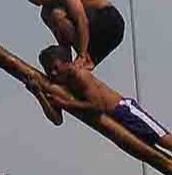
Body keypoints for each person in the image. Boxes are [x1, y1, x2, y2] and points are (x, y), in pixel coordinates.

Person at [31, 46, 172, 151]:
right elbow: (57, 120)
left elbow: (98, 107)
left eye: (56, 67)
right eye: (49, 70)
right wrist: (38, 94)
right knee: (149, 152)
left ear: (66, 62)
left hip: (123, 111)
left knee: (163, 139)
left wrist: (65, 103)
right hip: (113, 123)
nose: (53, 73)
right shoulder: (60, 87)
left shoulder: (80, 76)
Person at [18, 0, 125, 68]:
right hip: (92, 39)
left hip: (109, 21)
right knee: (76, 68)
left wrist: (81, 56)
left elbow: (81, 20)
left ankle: (85, 58)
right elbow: (64, 42)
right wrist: (64, 65)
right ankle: (86, 61)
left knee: (57, 14)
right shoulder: (45, 15)